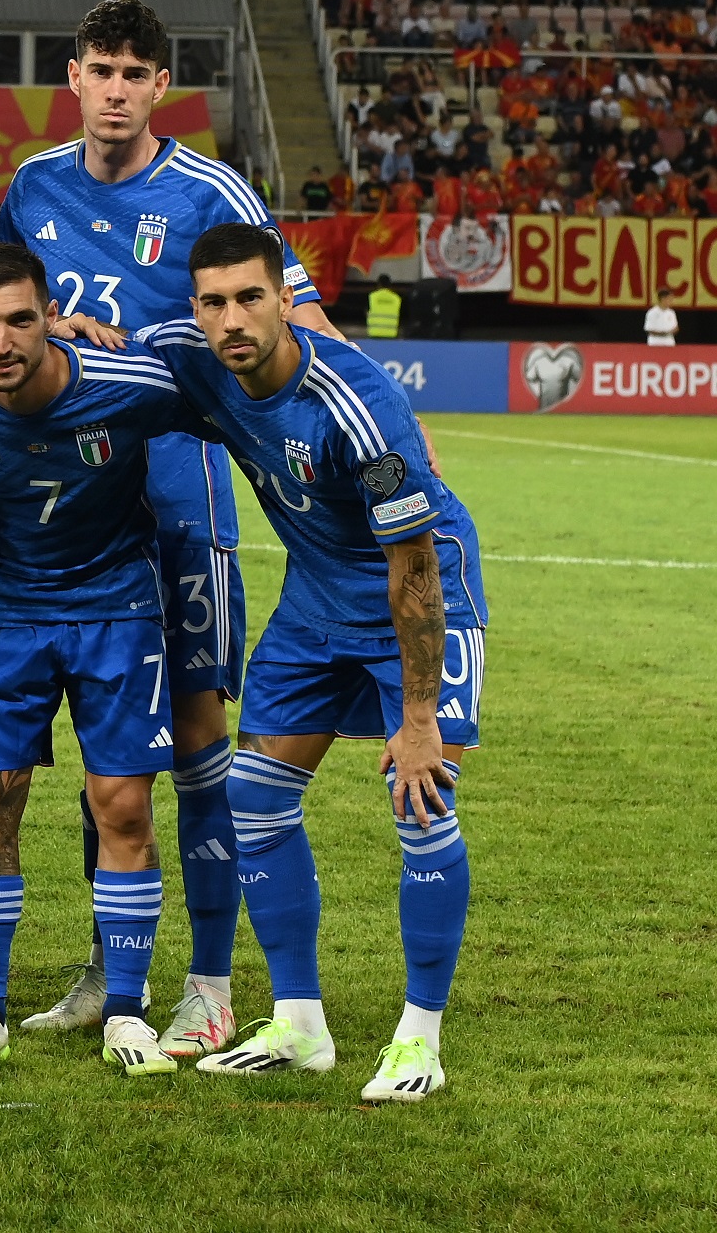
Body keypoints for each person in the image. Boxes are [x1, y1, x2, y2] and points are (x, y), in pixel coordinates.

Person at [0, 0, 342, 1058]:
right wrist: (54, 323)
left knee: (196, 747)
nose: (113, 89)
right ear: (74, 75)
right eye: (98, 68)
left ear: (159, 87)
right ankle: (113, 968)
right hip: (70, 507)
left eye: (134, 73)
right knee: (110, 754)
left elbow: (306, 317)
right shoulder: (31, 184)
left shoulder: (210, 190)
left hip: (182, 499)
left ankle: (209, 981)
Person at [140, 222, 485, 1104]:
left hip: (419, 588)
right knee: (254, 798)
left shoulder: (356, 405)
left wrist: (416, 723)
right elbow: (110, 361)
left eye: (251, 297)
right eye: (213, 302)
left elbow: (413, 566)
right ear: (196, 309)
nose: (232, 319)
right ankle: (300, 1023)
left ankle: (420, 1039)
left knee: (420, 793)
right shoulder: (194, 357)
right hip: (316, 594)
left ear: (285, 301)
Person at [0, 242, 204, 1076]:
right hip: (5, 615)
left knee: (124, 809)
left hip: (120, 612)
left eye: (21, 320)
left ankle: (129, 1010)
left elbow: (240, 403)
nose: (2, 343)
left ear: (51, 317)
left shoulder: (130, 384)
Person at [367, 274, 402, 339]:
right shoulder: (396, 298)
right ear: (390, 285)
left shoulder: (372, 296)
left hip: (374, 334)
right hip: (391, 335)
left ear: (379, 284)